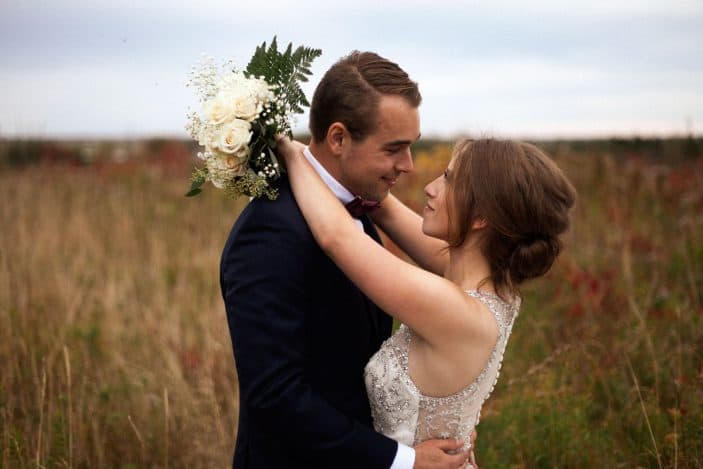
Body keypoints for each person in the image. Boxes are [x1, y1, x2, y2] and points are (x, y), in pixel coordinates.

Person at [220, 51, 470, 469]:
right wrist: (402, 460)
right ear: (338, 138)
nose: (408, 165)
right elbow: (275, 396)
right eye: (394, 148)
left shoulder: (362, 210)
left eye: (411, 146)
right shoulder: (269, 232)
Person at [275, 136, 577, 461]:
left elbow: (337, 237)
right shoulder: (490, 282)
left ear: (481, 218)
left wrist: (291, 153)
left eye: (449, 180)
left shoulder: (454, 311)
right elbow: (383, 208)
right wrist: (321, 152)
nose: (431, 188)